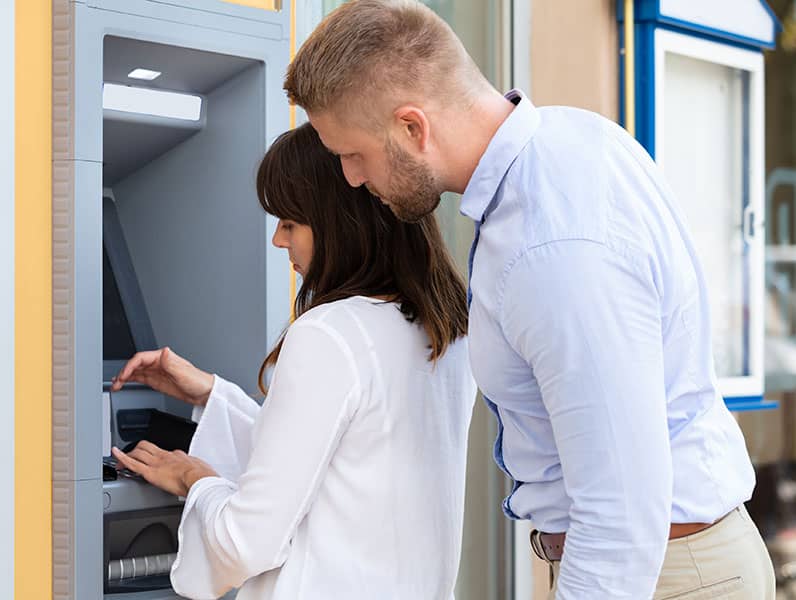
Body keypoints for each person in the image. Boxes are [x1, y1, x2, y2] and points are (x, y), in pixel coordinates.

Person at [284, 1, 776, 598]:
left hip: (662, 576)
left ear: (413, 127)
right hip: (660, 566)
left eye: (351, 155)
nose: (352, 180)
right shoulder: (570, 141)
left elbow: (621, 516)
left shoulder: (553, 244)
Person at [110, 122, 476, 600]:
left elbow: (246, 543)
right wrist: (215, 395)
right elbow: (343, 471)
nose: (278, 242)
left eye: (290, 223)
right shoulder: (446, 328)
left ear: (342, 223)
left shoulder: (328, 334)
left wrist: (193, 478)